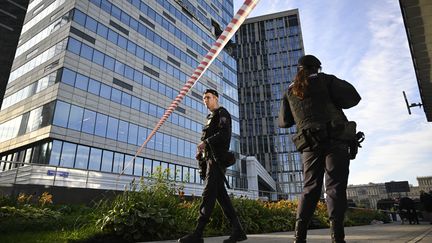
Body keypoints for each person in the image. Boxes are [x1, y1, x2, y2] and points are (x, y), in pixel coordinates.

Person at [278, 55, 361, 243]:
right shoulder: (327, 80)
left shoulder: (290, 91)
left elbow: (284, 122)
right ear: (318, 68)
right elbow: (353, 98)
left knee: (309, 188)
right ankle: (337, 237)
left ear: (299, 69)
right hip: (335, 141)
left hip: (309, 144)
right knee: (335, 187)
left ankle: (299, 237)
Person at [178, 89, 247, 243]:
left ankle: (198, 233)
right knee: (222, 197)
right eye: (203, 99)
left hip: (218, 161)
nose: (205, 101)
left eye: (208, 98)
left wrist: (206, 142)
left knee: (208, 194)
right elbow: (208, 140)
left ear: (216, 98)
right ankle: (238, 231)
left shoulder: (223, 113)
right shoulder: (209, 117)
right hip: (210, 161)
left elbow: (224, 135)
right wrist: (201, 154)